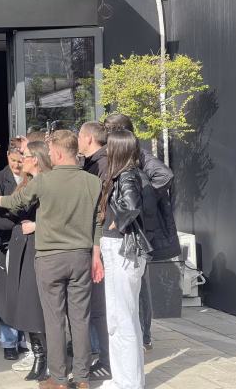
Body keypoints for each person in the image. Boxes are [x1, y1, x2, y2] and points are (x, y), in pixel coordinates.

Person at [0, 130, 104, 389]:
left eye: (50, 151)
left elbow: (14, 201)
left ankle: (58, 380)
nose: (47, 155)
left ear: (58, 153)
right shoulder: (93, 181)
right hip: (81, 257)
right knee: (80, 319)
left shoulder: (44, 181)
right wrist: (96, 256)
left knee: (54, 320)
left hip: (50, 258)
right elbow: (97, 222)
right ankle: (82, 379)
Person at [0, 141, 53, 383]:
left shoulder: (47, 182)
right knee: (27, 304)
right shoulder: (26, 182)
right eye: (16, 157)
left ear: (36, 158)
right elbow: (13, 214)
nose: (19, 162)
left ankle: (47, 358)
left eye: (24, 157)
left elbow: (61, 215)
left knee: (38, 306)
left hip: (39, 248)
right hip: (20, 248)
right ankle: (39, 356)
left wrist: (37, 225)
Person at [104, 114, 180, 354]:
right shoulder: (128, 156)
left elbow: (165, 175)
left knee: (137, 287)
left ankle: (144, 337)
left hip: (138, 232)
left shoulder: (140, 156)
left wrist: (145, 195)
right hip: (133, 230)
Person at [98, 130, 154, 389]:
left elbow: (131, 206)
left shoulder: (126, 174)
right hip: (124, 250)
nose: (106, 150)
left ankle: (128, 382)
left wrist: (116, 223)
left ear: (118, 148)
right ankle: (125, 379)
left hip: (121, 249)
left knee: (121, 318)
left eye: (109, 146)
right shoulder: (129, 172)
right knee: (123, 317)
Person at [77, 121, 112, 381]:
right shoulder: (91, 163)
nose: (78, 140)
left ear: (88, 138)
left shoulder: (102, 165)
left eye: (79, 135)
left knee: (100, 307)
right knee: (94, 306)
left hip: (100, 243)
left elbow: (100, 208)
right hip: (95, 241)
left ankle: (107, 361)